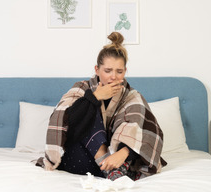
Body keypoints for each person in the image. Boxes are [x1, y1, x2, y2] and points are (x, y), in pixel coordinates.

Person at [37, 32, 167, 181]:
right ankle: (114, 171)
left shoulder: (131, 96)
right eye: (107, 71)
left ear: (125, 71)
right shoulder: (81, 88)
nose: (113, 77)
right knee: (90, 111)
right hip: (78, 158)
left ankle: (115, 169)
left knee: (135, 116)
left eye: (119, 71)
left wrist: (124, 152)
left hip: (115, 160)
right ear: (97, 69)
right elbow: (67, 123)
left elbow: (148, 132)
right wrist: (95, 97)